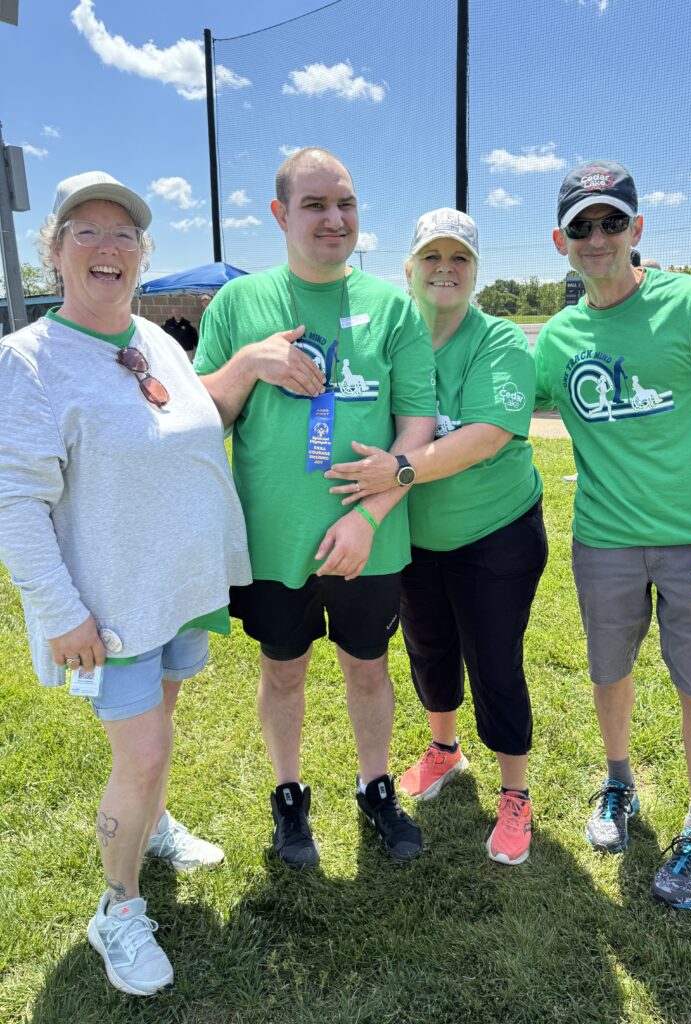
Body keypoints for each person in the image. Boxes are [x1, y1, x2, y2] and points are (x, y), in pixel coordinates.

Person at [0, 171, 251, 994]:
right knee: (139, 753)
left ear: (143, 255)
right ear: (55, 252)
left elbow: (192, 416)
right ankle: (117, 908)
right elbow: (14, 503)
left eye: (125, 235)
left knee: (164, 726)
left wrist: (248, 366)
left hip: (173, 587)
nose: (109, 247)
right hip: (108, 609)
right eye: (87, 232)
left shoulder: (154, 342)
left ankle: (150, 828)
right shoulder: (29, 361)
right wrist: (60, 612)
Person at [534, 160, 691, 908]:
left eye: (611, 222)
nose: (597, 237)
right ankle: (618, 784)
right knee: (609, 671)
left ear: (638, 229)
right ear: (560, 241)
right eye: (582, 226)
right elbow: (495, 409)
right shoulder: (557, 337)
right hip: (603, 539)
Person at [194, 148, 436, 867]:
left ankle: (374, 786)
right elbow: (205, 413)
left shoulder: (394, 307)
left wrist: (368, 516)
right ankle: (290, 795)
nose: (334, 219)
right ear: (280, 215)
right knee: (283, 669)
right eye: (315, 205)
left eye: (346, 204)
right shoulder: (240, 304)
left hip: (373, 539)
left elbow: (417, 425)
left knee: (368, 666)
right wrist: (248, 366)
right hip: (274, 540)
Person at [326, 209, 547, 865]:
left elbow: (484, 437)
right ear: (409, 269)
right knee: (428, 648)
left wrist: (396, 468)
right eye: (431, 257)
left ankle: (515, 793)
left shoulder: (499, 340)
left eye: (459, 258)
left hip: (495, 534)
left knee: (494, 662)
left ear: (476, 271)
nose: (444, 269)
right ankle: (445, 749)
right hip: (416, 537)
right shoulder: (392, 339)